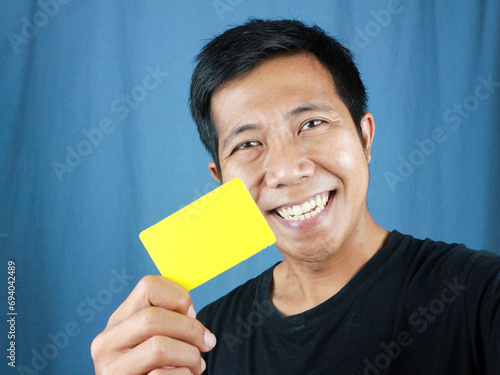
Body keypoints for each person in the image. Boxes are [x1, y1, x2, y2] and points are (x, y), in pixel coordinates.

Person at [91, 19, 500, 375]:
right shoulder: (198, 346)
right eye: (248, 145)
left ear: (365, 137)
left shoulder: (480, 295)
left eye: (312, 123)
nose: (287, 170)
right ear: (221, 182)